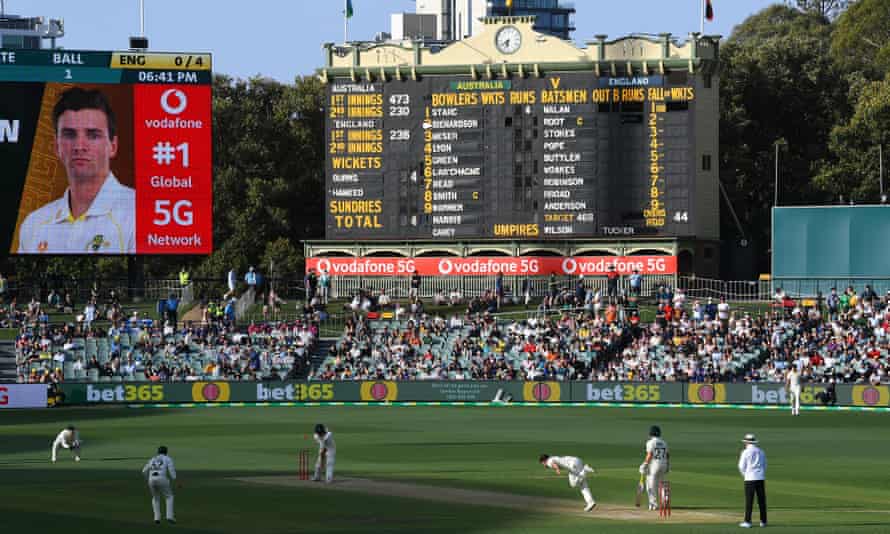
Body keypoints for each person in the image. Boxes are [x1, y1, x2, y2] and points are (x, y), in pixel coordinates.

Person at [17, 87, 135, 254]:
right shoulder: (34, 224)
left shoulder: (139, 215)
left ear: (113, 146)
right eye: (70, 134)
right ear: (57, 147)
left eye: (93, 135)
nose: (79, 146)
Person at [738, 433, 767, 528]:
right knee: (761, 500)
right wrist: (761, 473)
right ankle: (763, 521)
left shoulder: (745, 452)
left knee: (749, 501)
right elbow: (764, 465)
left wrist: (745, 475)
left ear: (746, 442)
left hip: (750, 478)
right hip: (760, 478)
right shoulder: (761, 451)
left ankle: (747, 521)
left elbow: (741, 466)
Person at [142, 445, 177, 524]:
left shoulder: (152, 459)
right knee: (169, 496)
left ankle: (156, 518)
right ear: (166, 452)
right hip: (162, 479)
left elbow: (143, 471)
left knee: (155, 498)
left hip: (151, 480)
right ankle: (169, 517)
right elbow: (172, 472)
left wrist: (148, 480)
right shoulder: (168, 458)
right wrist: (175, 480)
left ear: (158, 452)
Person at [640, 425, 670, 512]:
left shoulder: (650, 442)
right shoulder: (664, 443)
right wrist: (668, 465)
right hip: (663, 465)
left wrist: (645, 463)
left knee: (650, 485)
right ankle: (664, 501)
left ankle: (653, 504)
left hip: (654, 465)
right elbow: (667, 455)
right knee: (661, 484)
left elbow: (650, 454)